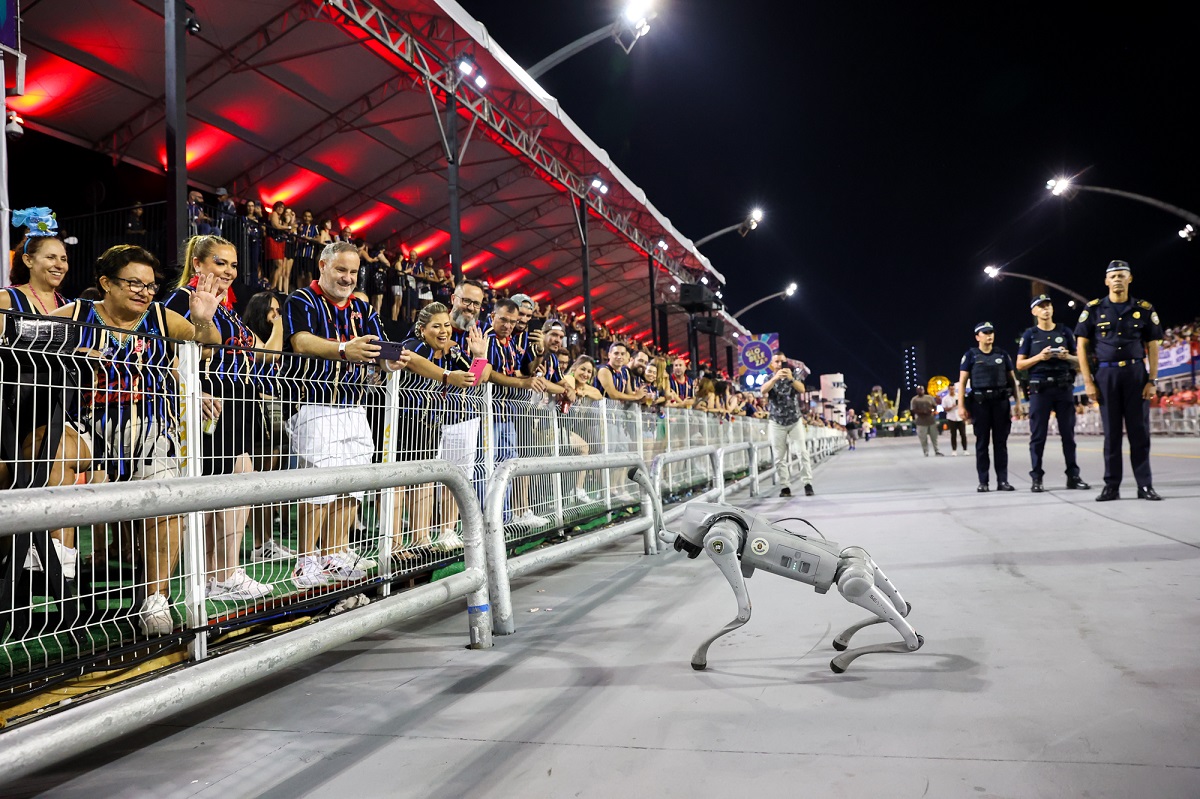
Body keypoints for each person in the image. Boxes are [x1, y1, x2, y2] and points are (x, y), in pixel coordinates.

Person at [51, 245, 223, 636]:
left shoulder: (163, 318)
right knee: (50, 449)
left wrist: (202, 320)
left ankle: (155, 602)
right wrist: (73, 351)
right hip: (86, 424)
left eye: (150, 285)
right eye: (133, 283)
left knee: (168, 498)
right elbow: (31, 340)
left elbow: (206, 345)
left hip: (147, 429)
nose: (144, 291)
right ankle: (60, 565)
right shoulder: (76, 315)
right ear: (106, 284)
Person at [166, 235, 280, 601]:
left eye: (233, 265)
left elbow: (266, 355)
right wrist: (191, 393)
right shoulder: (180, 299)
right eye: (220, 262)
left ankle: (219, 576)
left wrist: (277, 322)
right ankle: (216, 575)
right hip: (210, 402)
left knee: (234, 484)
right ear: (197, 263)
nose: (229, 271)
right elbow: (170, 353)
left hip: (238, 400)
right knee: (218, 488)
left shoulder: (227, 308)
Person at [394, 302, 489, 555]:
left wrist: (478, 356)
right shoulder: (416, 345)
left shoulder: (446, 352)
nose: (444, 330)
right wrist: (448, 375)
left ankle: (421, 539)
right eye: (436, 326)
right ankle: (394, 544)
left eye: (447, 325)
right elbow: (410, 359)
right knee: (399, 484)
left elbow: (472, 378)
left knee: (424, 483)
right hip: (404, 421)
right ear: (422, 329)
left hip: (428, 425)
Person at [1075, 260, 1164, 501]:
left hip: (1136, 375)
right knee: (1111, 434)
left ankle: (1144, 485)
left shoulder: (1144, 309)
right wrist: (1089, 382)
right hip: (1106, 376)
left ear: (1130, 279)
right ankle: (1111, 486)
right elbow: (1081, 346)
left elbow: (1153, 345)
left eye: (1121, 275)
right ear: (1106, 281)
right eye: (1112, 276)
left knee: (1139, 433)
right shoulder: (1093, 309)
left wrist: (1152, 379)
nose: (1117, 279)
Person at [1016, 294, 1090, 493]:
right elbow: (1020, 364)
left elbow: (1079, 361)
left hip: (1063, 388)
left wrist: (1068, 357)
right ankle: (1037, 478)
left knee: (1068, 435)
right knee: (1038, 436)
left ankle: (1073, 476)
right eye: (1041, 307)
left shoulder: (1064, 331)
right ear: (1034, 312)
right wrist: (1040, 357)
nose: (1046, 309)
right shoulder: (1029, 335)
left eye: (1048, 305)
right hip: (1040, 389)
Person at [957, 322, 1022, 492]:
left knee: (1000, 444)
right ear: (977, 337)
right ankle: (983, 482)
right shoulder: (970, 355)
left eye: (991, 332)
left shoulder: (1002, 354)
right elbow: (962, 383)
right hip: (980, 404)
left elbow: (1012, 381)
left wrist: (1018, 403)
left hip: (1000, 403)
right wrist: (961, 406)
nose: (989, 335)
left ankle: (1003, 481)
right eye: (985, 333)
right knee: (982, 443)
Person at [761, 351, 815, 497]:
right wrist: (774, 379)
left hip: (794, 420)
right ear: (772, 365)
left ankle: (807, 483)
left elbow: (802, 389)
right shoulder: (768, 377)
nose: (780, 364)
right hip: (776, 421)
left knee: (802, 452)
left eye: (782, 362)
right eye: (777, 362)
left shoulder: (793, 376)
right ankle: (785, 486)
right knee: (779, 456)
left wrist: (790, 379)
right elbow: (763, 391)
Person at [909, 386, 943, 456]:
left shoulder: (929, 398)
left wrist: (933, 411)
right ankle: (926, 451)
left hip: (931, 420)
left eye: (921, 390)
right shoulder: (914, 399)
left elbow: (934, 406)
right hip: (920, 421)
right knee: (923, 438)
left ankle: (937, 450)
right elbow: (913, 410)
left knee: (934, 437)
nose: (920, 391)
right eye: (918, 390)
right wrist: (922, 412)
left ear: (924, 390)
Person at [942, 384, 967, 455]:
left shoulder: (959, 396)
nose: (952, 390)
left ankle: (965, 449)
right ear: (949, 389)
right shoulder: (945, 398)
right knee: (953, 435)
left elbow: (964, 405)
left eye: (953, 388)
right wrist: (951, 407)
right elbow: (945, 409)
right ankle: (954, 450)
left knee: (963, 434)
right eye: (951, 389)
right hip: (951, 418)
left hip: (960, 417)